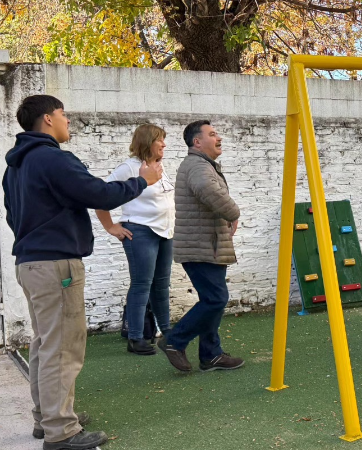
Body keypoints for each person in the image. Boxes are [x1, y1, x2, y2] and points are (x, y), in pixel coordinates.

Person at [3, 95, 161, 449]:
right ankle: (61, 431)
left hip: (29, 263)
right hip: (56, 264)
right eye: (64, 116)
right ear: (47, 119)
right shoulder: (51, 159)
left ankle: (48, 418)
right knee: (62, 348)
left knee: (45, 343)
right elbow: (99, 194)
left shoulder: (14, 168)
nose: (68, 122)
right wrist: (141, 181)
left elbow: (14, 218)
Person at [157, 120, 244, 372]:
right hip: (201, 246)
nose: (219, 138)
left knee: (212, 298)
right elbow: (206, 189)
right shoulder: (197, 165)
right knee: (216, 299)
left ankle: (211, 355)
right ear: (197, 142)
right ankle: (175, 341)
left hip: (208, 245)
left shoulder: (201, 164)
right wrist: (233, 212)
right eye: (213, 134)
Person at [96, 124, 175, 355]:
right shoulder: (129, 168)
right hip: (139, 232)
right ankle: (136, 338)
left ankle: (167, 331)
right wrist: (110, 226)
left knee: (161, 284)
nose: (164, 144)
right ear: (147, 142)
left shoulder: (160, 168)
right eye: (160, 140)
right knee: (142, 284)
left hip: (165, 232)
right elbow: (102, 197)